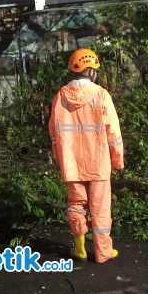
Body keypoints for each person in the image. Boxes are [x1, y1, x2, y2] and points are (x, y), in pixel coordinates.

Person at [49, 48, 124, 263]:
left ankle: (80, 248)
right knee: (100, 207)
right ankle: (103, 252)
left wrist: (60, 159)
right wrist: (117, 159)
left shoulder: (61, 95)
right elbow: (114, 132)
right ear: (90, 71)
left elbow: (54, 133)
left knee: (76, 204)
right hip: (98, 162)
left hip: (71, 163)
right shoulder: (101, 95)